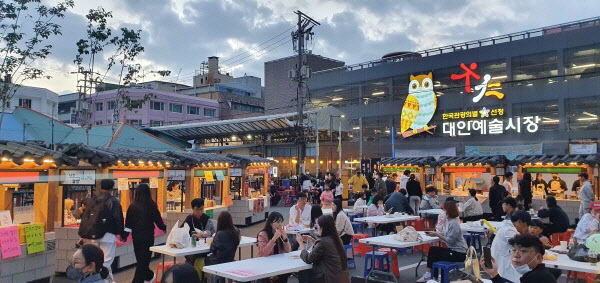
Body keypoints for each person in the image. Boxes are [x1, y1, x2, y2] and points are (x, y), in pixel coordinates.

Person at [78, 179, 125, 283]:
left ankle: (109, 281)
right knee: (106, 262)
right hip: (108, 235)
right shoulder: (113, 201)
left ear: (100, 187)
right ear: (112, 188)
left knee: (97, 261)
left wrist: (83, 235)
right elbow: (118, 219)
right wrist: (122, 233)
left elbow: (85, 218)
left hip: (93, 235)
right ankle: (103, 281)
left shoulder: (92, 200)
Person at [417, 200, 469, 282]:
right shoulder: (448, 221)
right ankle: (431, 275)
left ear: (449, 210)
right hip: (453, 249)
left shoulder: (454, 223)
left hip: (459, 253)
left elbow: (450, 241)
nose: (443, 212)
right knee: (433, 250)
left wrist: (437, 235)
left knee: (435, 253)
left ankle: (431, 275)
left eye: (444, 210)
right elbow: (444, 233)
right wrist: (435, 233)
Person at [125, 184, 167, 283]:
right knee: (144, 261)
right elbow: (158, 220)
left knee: (140, 261)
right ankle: (149, 276)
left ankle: (146, 277)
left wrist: (124, 236)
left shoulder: (132, 206)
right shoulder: (151, 205)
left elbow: (128, 224)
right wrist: (165, 228)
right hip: (148, 236)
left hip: (136, 237)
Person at [481, 234, 558, 283]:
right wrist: (494, 274)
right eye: (514, 250)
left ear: (538, 257)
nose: (516, 255)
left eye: (523, 251)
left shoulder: (537, 278)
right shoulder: (535, 273)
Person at [298, 215, 350, 283]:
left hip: (329, 278)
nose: (318, 227)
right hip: (342, 278)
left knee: (303, 273)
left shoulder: (323, 242)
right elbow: (325, 250)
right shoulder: (338, 239)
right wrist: (313, 241)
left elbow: (308, 259)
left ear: (322, 228)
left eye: (318, 226)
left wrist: (301, 244)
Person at [491, 210, 532, 283]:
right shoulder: (509, 230)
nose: (527, 229)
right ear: (519, 222)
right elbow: (521, 244)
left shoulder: (505, 226)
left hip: (500, 264)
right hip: (504, 267)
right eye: (527, 226)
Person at [257, 212, 291, 283]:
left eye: (281, 222)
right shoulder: (263, 234)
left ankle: (274, 278)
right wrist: (274, 238)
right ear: (270, 223)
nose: (280, 224)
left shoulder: (280, 233)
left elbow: (288, 250)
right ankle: (272, 279)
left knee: (288, 270)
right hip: (266, 263)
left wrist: (285, 237)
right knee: (282, 274)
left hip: (278, 262)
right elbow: (264, 253)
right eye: (278, 222)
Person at [181, 198, 215, 266]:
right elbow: (182, 233)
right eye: (197, 209)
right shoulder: (189, 220)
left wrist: (209, 233)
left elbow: (213, 231)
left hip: (205, 247)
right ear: (193, 209)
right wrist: (195, 235)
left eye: (201, 209)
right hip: (192, 248)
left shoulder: (206, 218)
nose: (200, 212)